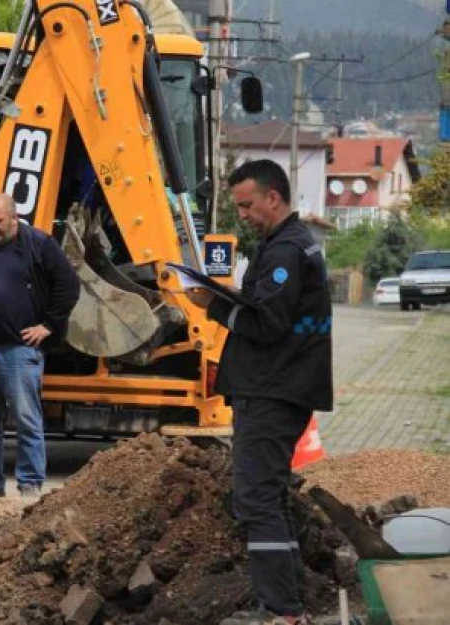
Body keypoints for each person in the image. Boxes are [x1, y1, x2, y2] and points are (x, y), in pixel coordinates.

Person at [185, 160, 332, 625]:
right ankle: (287, 609)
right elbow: (269, 309)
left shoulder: (287, 252)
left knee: (256, 500)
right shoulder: (283, 246)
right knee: (269, 497)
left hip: (273, 389)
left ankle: (282, 612)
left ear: (274, 197)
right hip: (276, 386)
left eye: (247, 205)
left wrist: (214, 306)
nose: (243, 215)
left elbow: (267, 323)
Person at [0, 193, 80, 501]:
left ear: (13, 217)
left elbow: (69, 285)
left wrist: (48, 325)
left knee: (26, 418)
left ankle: (30, 485)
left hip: (18, 351)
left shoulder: (39, 244)